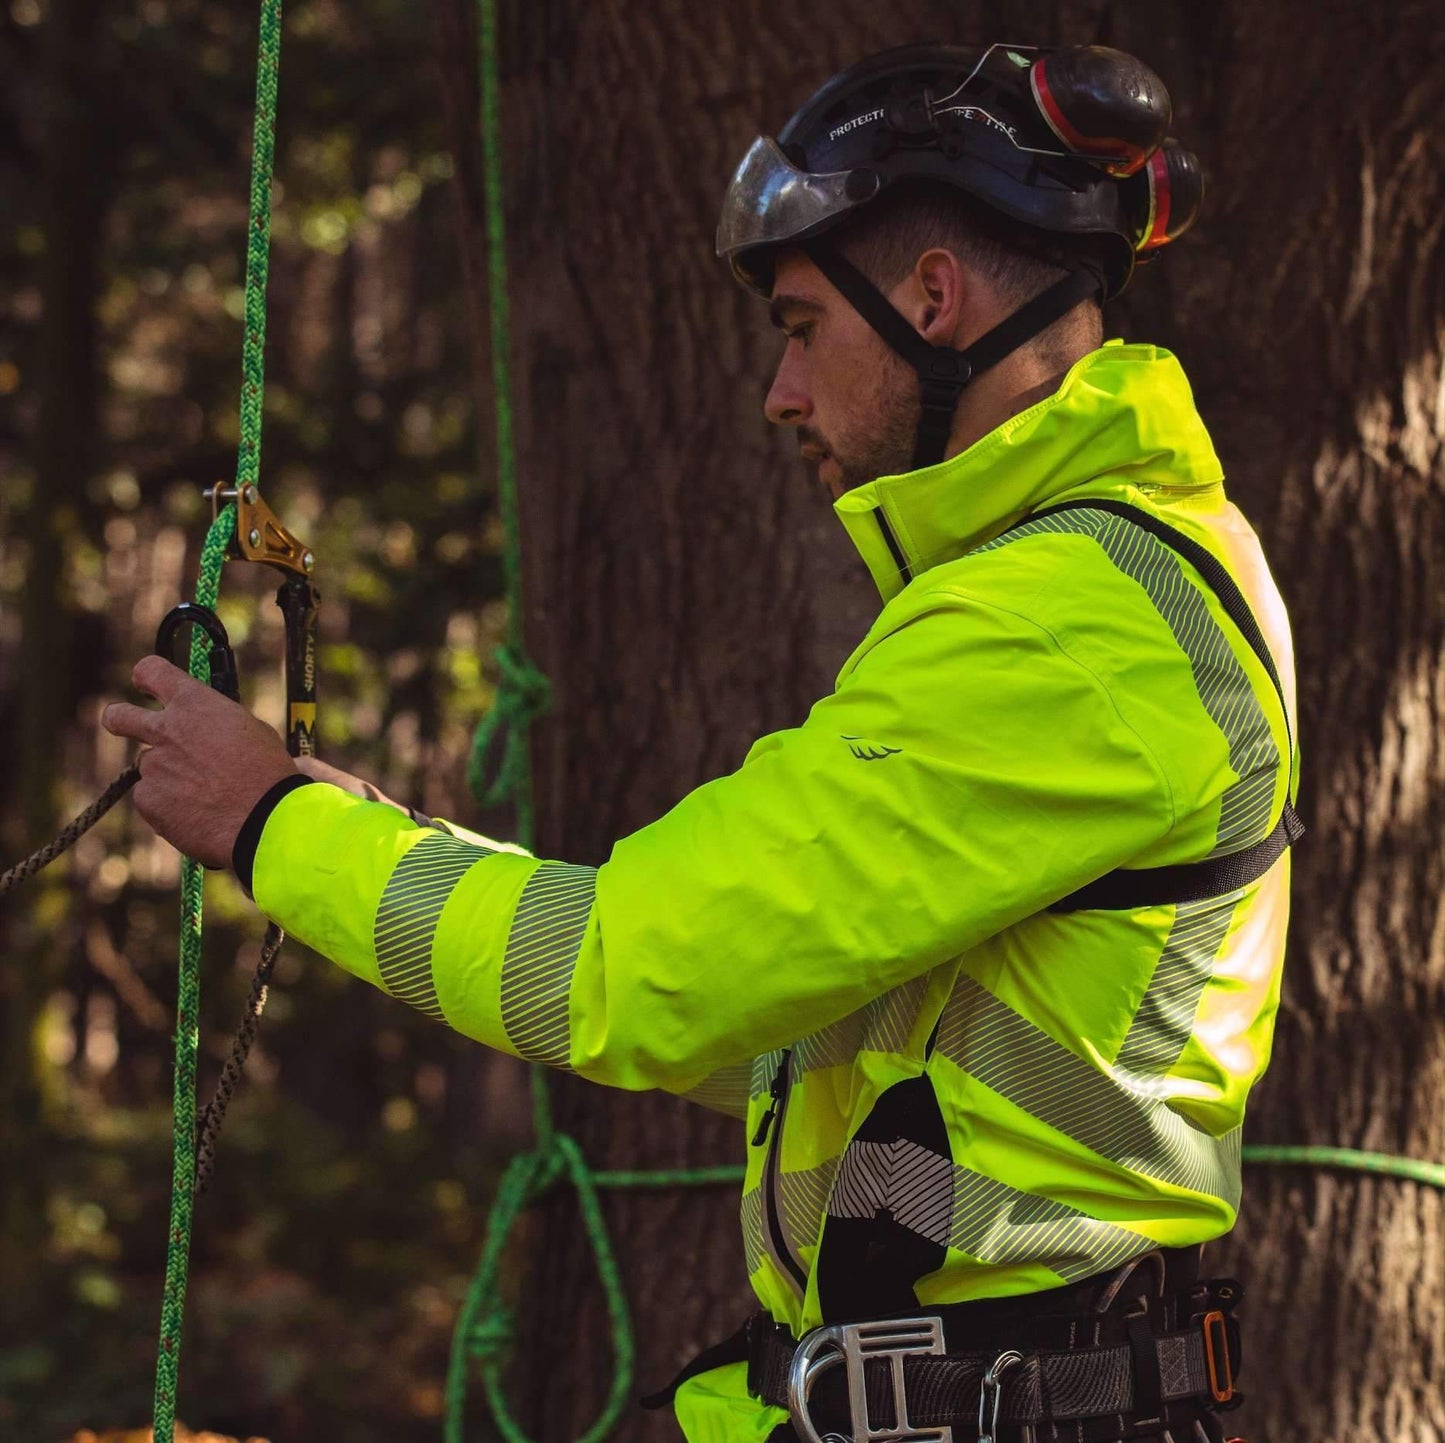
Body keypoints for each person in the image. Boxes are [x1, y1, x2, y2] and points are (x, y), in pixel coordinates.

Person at [103, 42, 1299, 1443]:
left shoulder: (1064, 626)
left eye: (799, 327)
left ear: (931, 298)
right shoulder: (1089, 580)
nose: (779, 393)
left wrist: (270, 827)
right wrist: (389, 847)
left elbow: (639, 976)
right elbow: (787, 1012)